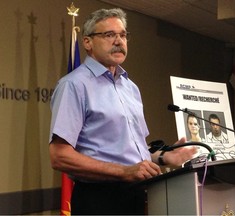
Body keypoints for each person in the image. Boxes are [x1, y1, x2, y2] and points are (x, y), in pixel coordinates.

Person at [49, 8, 196, 215]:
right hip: (99, 198)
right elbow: (59, 156)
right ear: (87, 42)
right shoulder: (74, 85)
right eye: (109, 35)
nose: (118, 41)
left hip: (137, 195)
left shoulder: (130, 87)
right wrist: (124, 172)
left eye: (123, 35)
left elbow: (132, 149)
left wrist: (164, 158)